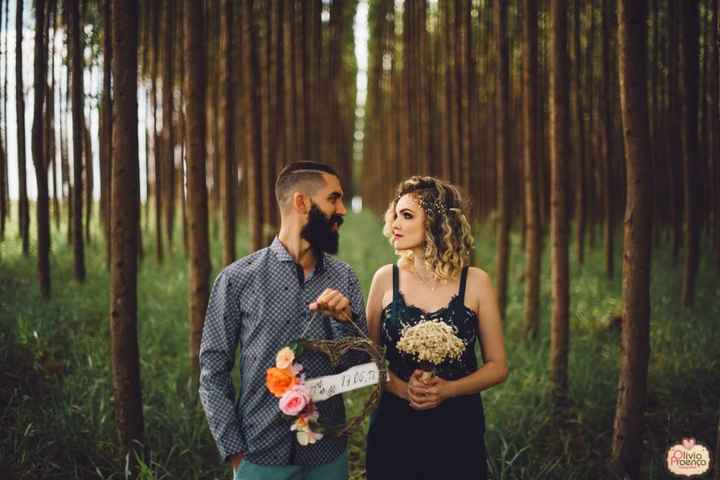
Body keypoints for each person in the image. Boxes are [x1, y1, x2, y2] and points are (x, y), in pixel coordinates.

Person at [199, 161, 368, 480]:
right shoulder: (237, 280)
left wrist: (347, 321)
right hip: (260, 455)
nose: (343, 209)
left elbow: (360, 368)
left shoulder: (344, 278)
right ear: (301, 202)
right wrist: (235, 452)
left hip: (328, 454)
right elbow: (212, 369)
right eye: (334, 198)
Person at [364, 176, 508, 480]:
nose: (394, 225)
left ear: (435, 222)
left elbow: (497, 367)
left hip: (458, 426)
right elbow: (367, 359)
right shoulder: (384, 279)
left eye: (406, 216)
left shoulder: (477, 282)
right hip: (394, 426)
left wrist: (448, 390)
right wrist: (403, 390)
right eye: (395, 215)